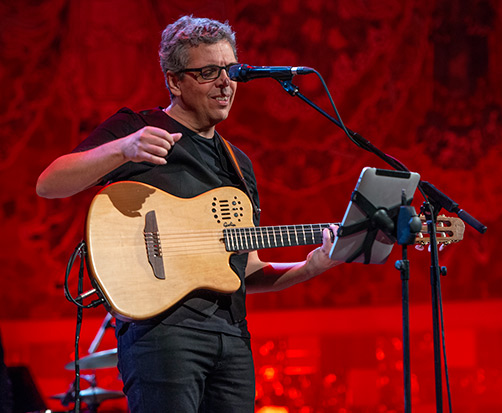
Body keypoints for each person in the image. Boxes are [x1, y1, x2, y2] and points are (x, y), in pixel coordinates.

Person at [36, 15, 340, 412]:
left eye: (230, 71)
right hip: (164, 336)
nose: (225, 83)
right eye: (209, 72)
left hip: (232, 339)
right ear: (174, 81)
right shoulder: (140, 129)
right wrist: (123, 148)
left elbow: (246, 270)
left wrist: (312, 266)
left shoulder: (239, 165)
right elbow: (49, 183)